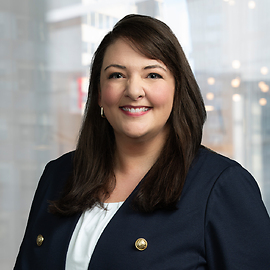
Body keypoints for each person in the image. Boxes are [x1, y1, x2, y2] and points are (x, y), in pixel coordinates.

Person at [14, 14, 270, 270]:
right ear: (99, 95)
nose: (134, 91)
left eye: (153, 75)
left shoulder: (223, 186)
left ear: (177, 89)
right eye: (116, 75)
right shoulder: (57, 175)